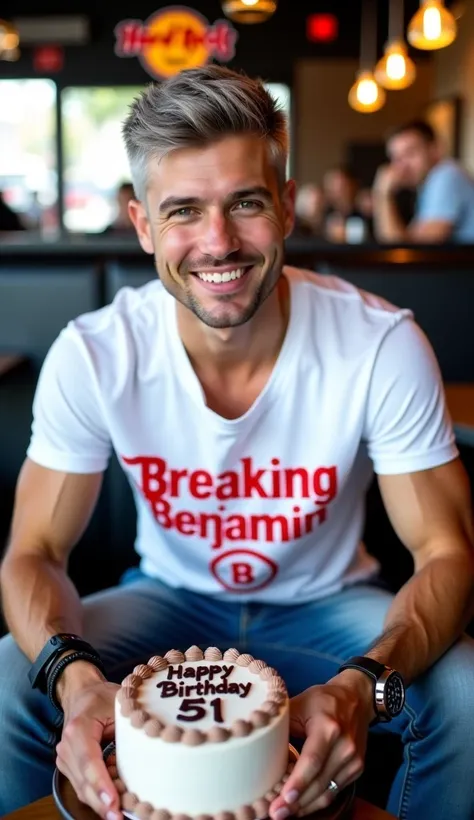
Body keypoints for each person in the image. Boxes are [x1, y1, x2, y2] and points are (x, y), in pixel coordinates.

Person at [0, 66, 473, 820]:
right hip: (166, 603)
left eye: (245, 203)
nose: (217, 243)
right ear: (143, 223)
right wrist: (77, 681)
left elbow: (447, 551)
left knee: (464, 690)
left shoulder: (380, 342)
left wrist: (363, 683)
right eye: (182, 210)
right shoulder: (95, 352)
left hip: (328, 606)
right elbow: (35, 551)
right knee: (8, 674)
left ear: (285, 206)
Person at [373, 120, 474, 244]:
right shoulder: (429, 184)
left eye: (410, 153)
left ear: (435, 150)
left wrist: (383, 194)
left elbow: (414, 251)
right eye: (396, 158)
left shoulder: (447, 176)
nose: (401, 166)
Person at [322, 166, 371, 243]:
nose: (337, 192)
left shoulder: (365, 211)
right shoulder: (324, 215)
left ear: (353, 185)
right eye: (332, 186)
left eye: (342, 186)